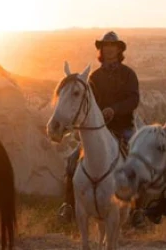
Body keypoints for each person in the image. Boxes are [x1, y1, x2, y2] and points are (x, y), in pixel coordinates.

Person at [58, 31, 140, 223]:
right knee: (72, 161)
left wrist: (115, 109)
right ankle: (68, 205)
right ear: (101, 50)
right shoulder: (94, 77)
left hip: (122, 128)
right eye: (106, 46)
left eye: (113, 46)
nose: (109, 49)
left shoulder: (129, 75)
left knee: (135, 162)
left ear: (119, 50)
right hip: (98, 130)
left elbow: (134, 99)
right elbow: (87, 104)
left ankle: (138, 210)